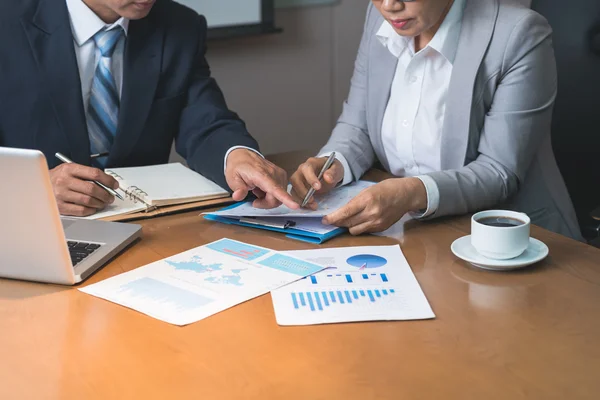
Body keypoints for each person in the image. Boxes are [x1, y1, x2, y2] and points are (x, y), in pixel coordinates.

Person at [290, 0, 582, 240]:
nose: (390, 5)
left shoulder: (519, 34)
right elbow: (358, 125)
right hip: (418, 234)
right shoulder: (380, 16)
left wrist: (411, 193)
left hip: (514, 242)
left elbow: (498, 172)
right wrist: (332, 164)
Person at [0, 0, 297, 216]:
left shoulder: (180, 25)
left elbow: (205, 119)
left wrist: (238, 156)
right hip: (28, 226)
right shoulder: (8, 21)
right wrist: (32, 189)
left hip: (144, 230)